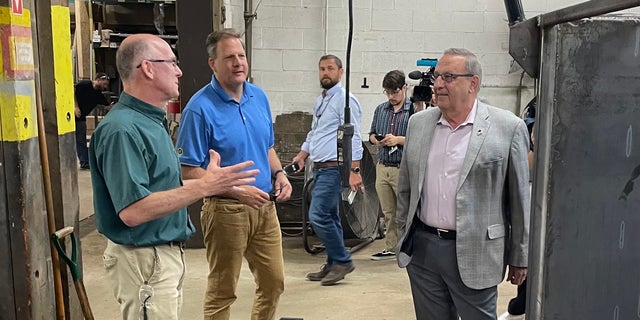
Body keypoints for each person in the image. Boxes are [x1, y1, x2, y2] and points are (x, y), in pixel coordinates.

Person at [89, 34, 259, 320]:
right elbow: (133, 210)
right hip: (144, 258)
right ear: (148, 68)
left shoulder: (151, 121)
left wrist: (216, 184)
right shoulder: (123, 130)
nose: (179, 71)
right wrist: (205, 186)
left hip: (158, 257)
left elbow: (163, 187)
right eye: (171, 62)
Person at [396, 48, 531, 320]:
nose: (437, 84)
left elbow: (519, 199)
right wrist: (403, 234)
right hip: (423, 251)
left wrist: (520, 255)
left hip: (477, 252)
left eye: (448, 77)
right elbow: (406, 188)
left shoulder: (508, 127)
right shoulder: (418, 124)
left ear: (473, 83)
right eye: (437, 77)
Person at [175, 28, 292, 320]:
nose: (238, 62)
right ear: (213, 64)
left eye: (241, 55)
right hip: (226, 210)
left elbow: (267, 146)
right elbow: (187, 171)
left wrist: (279, 174)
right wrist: (236, 191)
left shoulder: (258, 97)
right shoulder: (199, 109)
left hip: (265, 207)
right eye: (229, 57)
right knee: (223, 290)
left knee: (274, 282)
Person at [291, 54, 364, 286]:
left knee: (318, 215)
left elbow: (355, 135)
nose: (325, 73)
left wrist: (354, 169)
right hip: (319, 168)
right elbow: (314, 132)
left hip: (334, 168)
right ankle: (334, 263)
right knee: (330, 217)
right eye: (322, 69)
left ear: (340, 72)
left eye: (330, 68)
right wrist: (303, 155)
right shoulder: (320, 101)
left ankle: (343, 260)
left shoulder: (346, 100)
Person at [368, 70, 412, 261]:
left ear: (404, 88)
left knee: (406, 211)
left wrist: (398, 140)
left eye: (395, 92)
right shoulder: (381, 110)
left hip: (403, 169)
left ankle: (408, 247)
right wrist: (376, 140)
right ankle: (391, 247)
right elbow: (371, 133)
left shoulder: (414, 111)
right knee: (388, 212)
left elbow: (420, 139)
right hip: (383, 166)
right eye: (388, 92)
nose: (391, 97)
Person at [74, 72, 110, 169]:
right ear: (98, 80)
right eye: (104, 84)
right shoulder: (84, 85)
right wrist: (75, 107)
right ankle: (84, 161)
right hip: (72, 114)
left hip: (81, 118)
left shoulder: (98, 94)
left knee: (81, 139)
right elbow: (72, 92)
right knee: (77, 140)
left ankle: (85, 162)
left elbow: (108, 106)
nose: (105, 87)